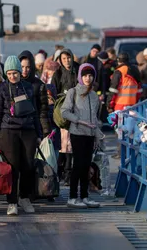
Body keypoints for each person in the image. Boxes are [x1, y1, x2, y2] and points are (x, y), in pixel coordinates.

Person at [0, 55, 41, 215]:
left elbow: (35, 112)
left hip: (28, 130)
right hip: (8, 131)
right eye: (10, 73)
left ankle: (24, 197)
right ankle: (11, 201)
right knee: (12, 168)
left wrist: (39, 134)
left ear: (20, 72)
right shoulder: (1, 89)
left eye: (15, 73)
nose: (13, 76)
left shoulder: (28, 87)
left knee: (28, 165)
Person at [61, 63, 100, 208]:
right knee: (77, 165)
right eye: (85, 75)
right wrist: (79, 121)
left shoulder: (94, 95)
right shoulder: (73, 92)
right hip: (77, 133)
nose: (88, 78)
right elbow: (64, 111)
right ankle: (72, 197)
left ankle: (84, 196)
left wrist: (97, 136)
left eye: (90, 75)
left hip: (90, 135)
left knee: (86, 165)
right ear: (80, 76)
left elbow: (95, 118)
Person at [52, 48, 80, 185]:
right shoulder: (57, 74)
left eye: (68, 58)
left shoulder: (78, 71)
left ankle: (69, 173)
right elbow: (52, 90)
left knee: (72, 144)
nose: (67, 61)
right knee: (64, 143)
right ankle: (61, 172)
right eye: (64, 59)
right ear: (60, 60)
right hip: (62, 111)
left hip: (77, 110)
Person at [19, 51, 51, 138]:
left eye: (28, 67)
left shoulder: (39, 85)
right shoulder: (13, 84)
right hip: (16, 128)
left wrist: (46, 132)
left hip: (33, 127)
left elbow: (43, 111)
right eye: (22, 67)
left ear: (32, 67)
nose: (24, 70)